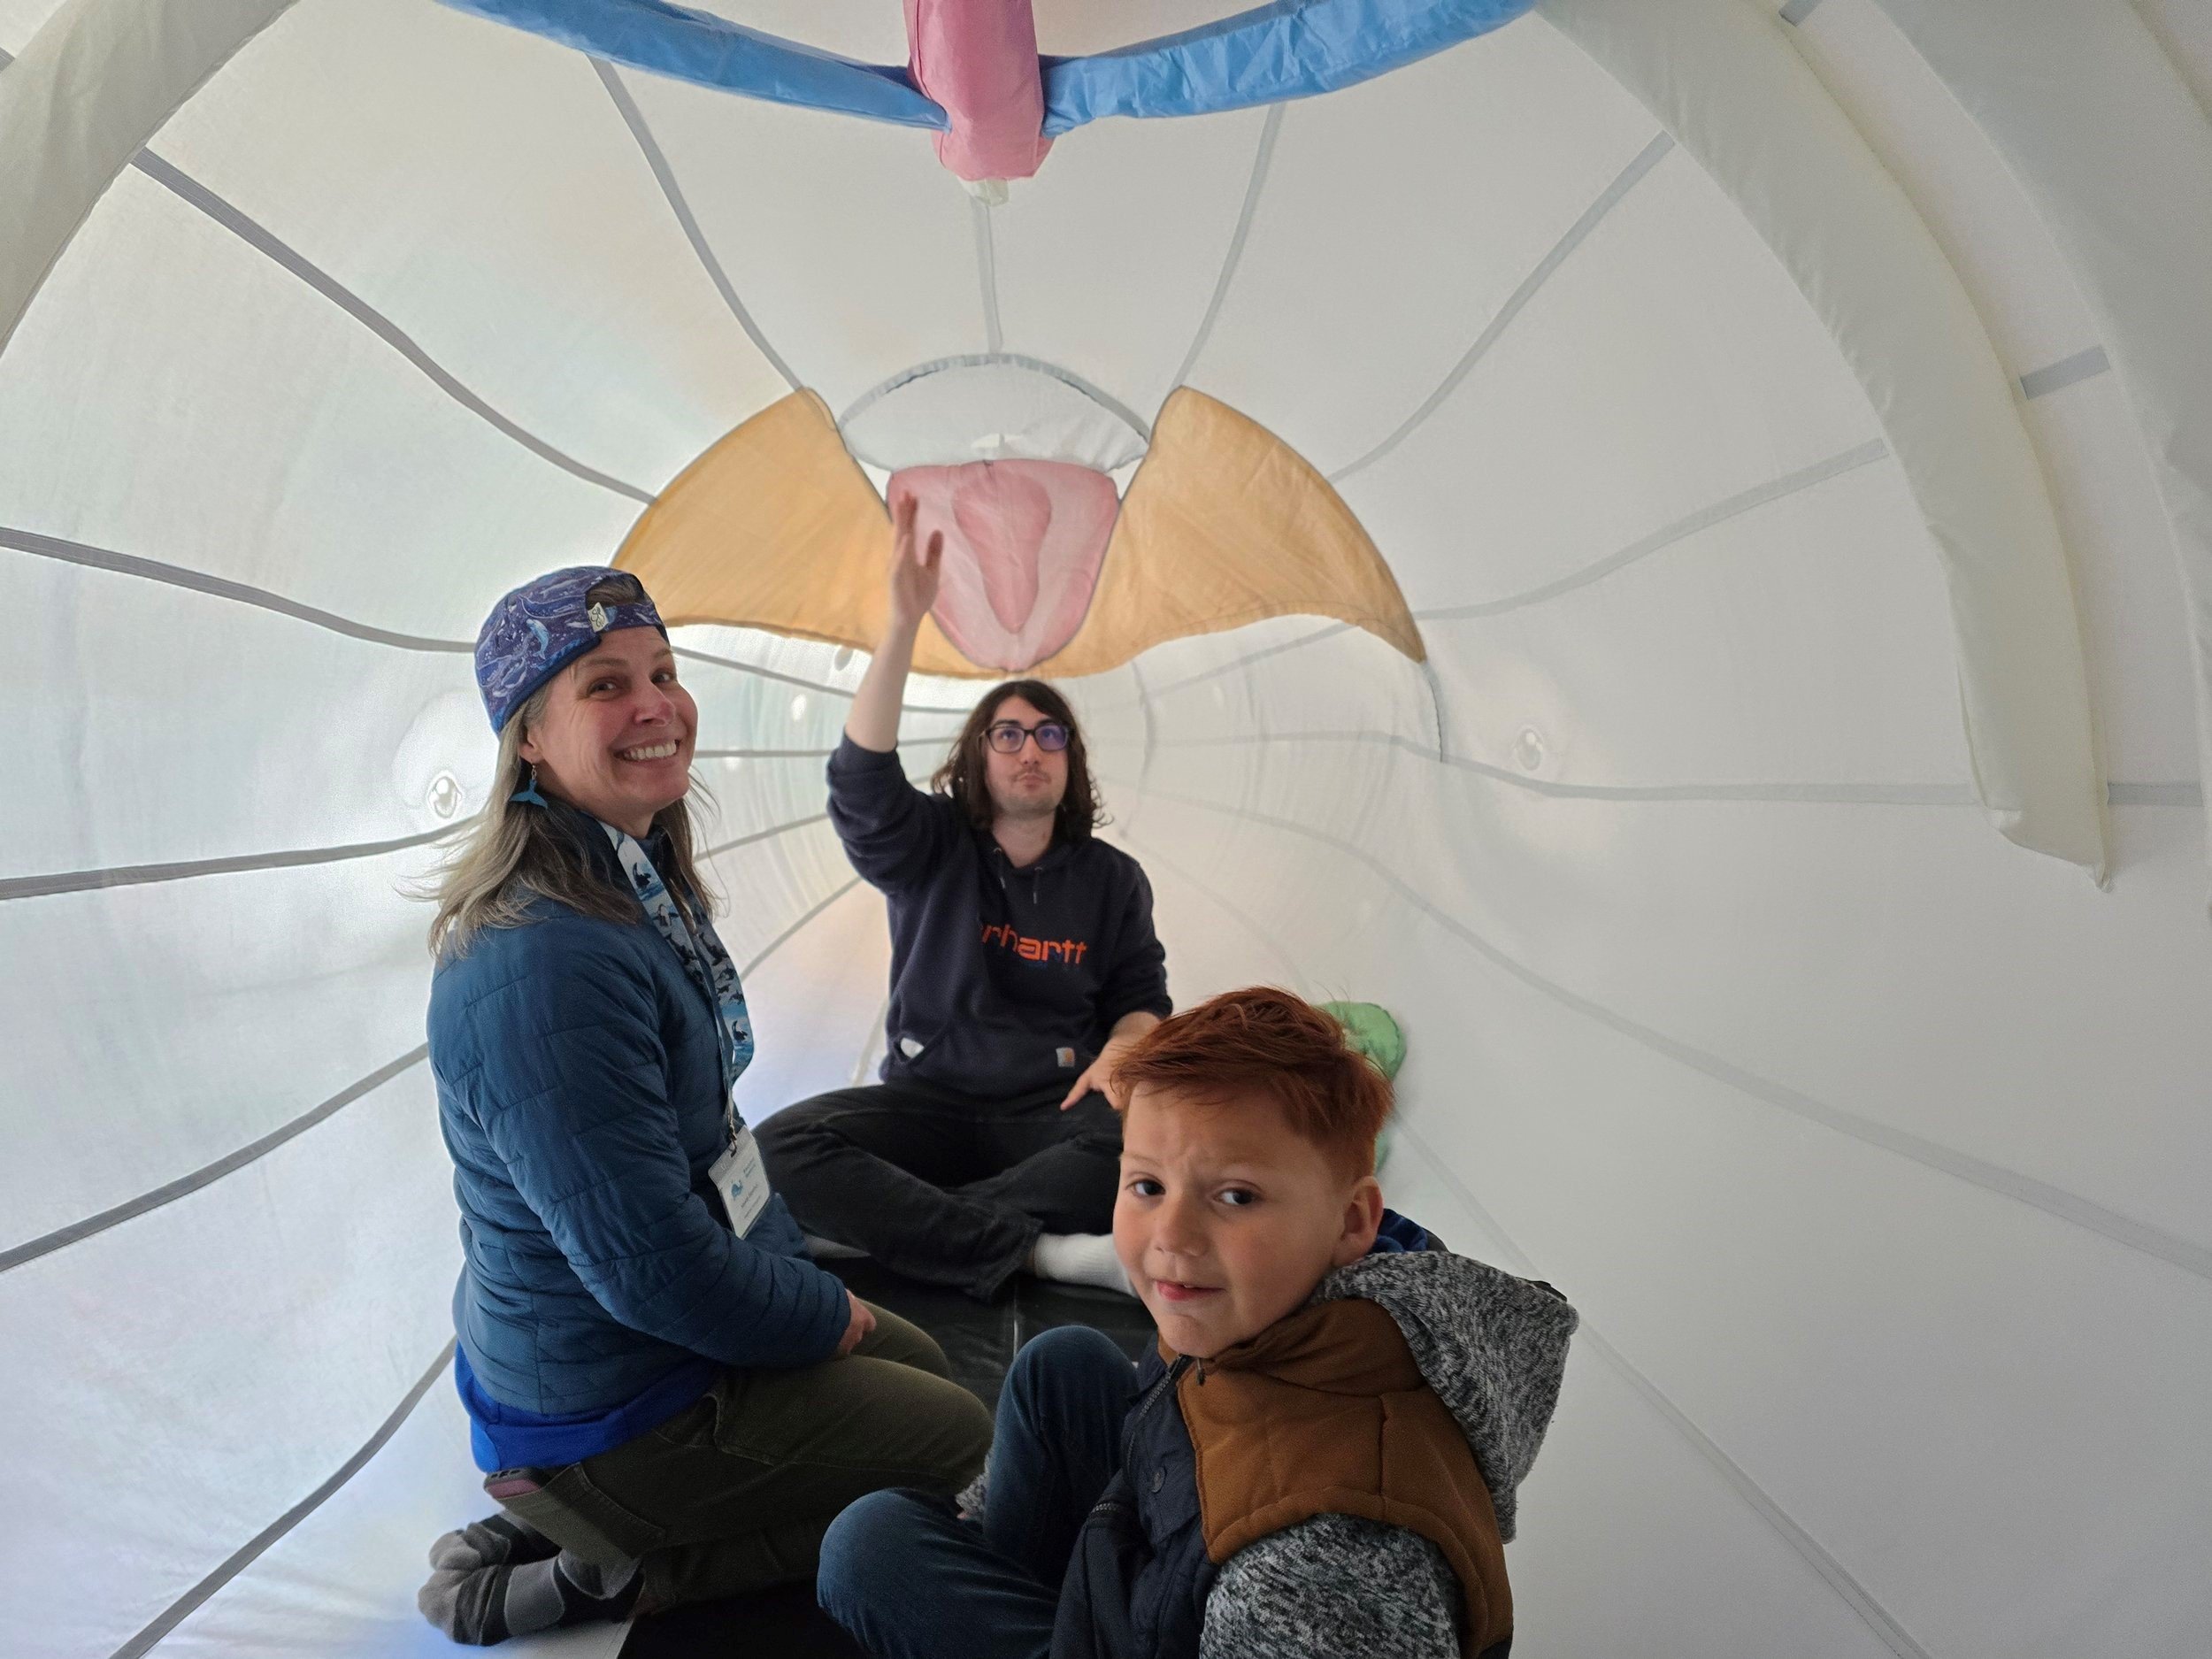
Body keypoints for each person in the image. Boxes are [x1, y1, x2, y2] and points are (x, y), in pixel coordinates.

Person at [415, 566, 992, 1646]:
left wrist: (803, 1299)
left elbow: (689, 1171)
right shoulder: (542, 962)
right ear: (527, 738)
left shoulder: (623, 872)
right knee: (956, 1444)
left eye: (664, 673)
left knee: (923, 1375)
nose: (656, 706)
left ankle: (605, 1529)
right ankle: (615, 1569)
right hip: (608, 1410)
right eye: (603, 685)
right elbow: (652, 1270)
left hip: (632, 1345)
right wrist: (822, 1313)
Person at [816, 987, 1578, 1659]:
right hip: (1149, 1573)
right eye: (1147, 1184)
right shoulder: (1271, 1307)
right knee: (1064, 1363)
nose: (1170, 1239)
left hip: (1178, 1595)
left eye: (1237, 1196)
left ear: (1353, 1220)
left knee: (868, 1545)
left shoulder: (1315, 1573)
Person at [756, 495, 1172, 1300]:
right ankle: (1043, 1253)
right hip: (928, 1102)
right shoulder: (932, 845)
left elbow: (1140, 995)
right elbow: (859, 782)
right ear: (978, 757)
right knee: (778, 1149)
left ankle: (891, 1232)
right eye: (1008, 733)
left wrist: (1127, 1044)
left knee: (1145, 1156)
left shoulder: (1114, 879)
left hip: (1056, 1109)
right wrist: (904, 623)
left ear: (1071, 762)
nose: (1030, 749)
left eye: (1050, 734)